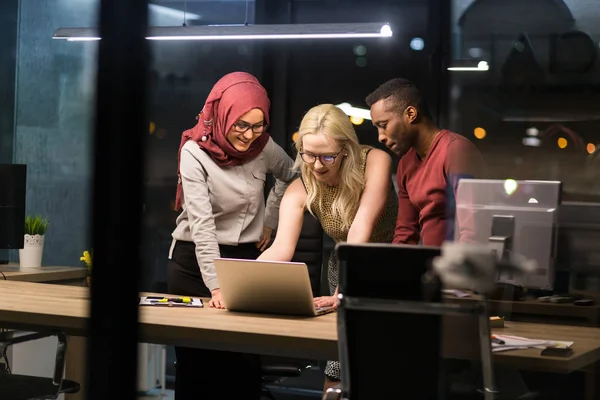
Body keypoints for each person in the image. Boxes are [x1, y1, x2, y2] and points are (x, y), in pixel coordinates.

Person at [167, 71, 296, 400]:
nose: (249, 135)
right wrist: (217, 284)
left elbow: (291, 175)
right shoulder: (194, 152)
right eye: (241, 125)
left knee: (242, 362)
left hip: (244, 259)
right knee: (198, 366)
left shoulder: (263, 146)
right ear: (222, 116)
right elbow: (202, 225)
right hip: (194, 265)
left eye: (258, 125)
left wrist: (270, 218)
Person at [258, 103, 398, 391]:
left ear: (346, 148)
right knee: (339, 362)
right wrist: (244, 278)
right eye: (308, 155)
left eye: (327, 156)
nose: (317, 165)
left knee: (386, 360)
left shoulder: (375, 161)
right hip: (343, 268)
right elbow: (281, 248)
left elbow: (361, 230)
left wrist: (344, 290)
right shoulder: (303, 185)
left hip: (389, 267)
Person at [366, 78, 486, 246]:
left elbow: (472, 232)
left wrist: (452, 270)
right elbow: (405, 232)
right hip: (430, 266)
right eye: (377, 128)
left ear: (410, 114)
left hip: (460, 265)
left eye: (384, 125)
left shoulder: (455, 150)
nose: (380, 137)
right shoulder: (405, 164)